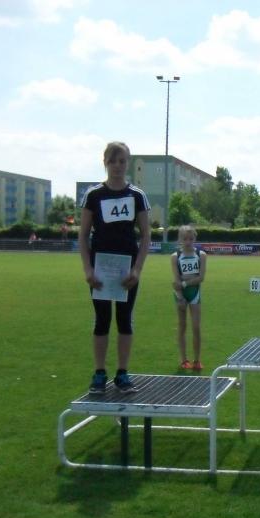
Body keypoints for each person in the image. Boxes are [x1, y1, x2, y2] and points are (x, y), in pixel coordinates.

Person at [79, 141, 150, 394]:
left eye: (122, 161)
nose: (117, 166)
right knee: (102, 320)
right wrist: (88, 270)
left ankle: (122, 373)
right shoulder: (94, 195)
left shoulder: (137, 196)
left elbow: (146, 236)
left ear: (127, 163)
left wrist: (137, 269)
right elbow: (83, 235)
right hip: (100, 268)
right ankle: (99, 373)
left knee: (124, 319)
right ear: (105, 163)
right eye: (112, 161)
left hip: (127, 270)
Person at [171, 225, 207, 371]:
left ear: (194, 239)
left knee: (196, 327)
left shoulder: (201, 255)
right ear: (180, 239)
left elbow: (201, 278)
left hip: (194, 293)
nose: (188, 242)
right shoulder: (175, 256)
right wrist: (180, 297)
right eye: (185, 239)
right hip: (180, 294)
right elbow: (176, 279)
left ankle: (197, 360)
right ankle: (184, 360)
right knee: (182, 326)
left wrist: (185, 283)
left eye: (191, 239)